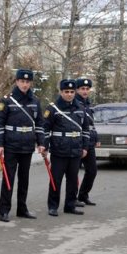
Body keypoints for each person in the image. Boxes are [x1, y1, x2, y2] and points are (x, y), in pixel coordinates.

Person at [0, 69, 45, 222]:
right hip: (10, 144)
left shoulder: (35, 101)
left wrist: (41, 142)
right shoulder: (7, 100)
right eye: (22, 81)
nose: (24, 84)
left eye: (27, 82)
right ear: (16, 82)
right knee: (8, 178)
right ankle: (4, 210)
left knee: (24, 179)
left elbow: (40, 124)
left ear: (30, 83)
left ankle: (22, 209)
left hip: (27, 144)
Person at [42, 79, 89, 217]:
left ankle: (70, 205)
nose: (69, 94)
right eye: (66, 92)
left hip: (76, 149)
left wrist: (85, 147)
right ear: (61, 92)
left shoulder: (80, 108)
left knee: (73, 180)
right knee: (55, 179)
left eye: (72, 92)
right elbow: (45, 129)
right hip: (59, 150)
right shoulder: (53, 108)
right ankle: (53, 206)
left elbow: (85, 129)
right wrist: (44, 146)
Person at [75, 78, 99, 206]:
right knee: (73, 172)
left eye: (87, 89)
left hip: (89, 142)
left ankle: (83, 195)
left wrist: (96, 138)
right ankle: (72, 198)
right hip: (77, 141)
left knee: (92, 170)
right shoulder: (74, 103)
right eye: (82, 89)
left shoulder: (88, 104)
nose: (85, 91)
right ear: (77, 90)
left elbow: (91, 124)